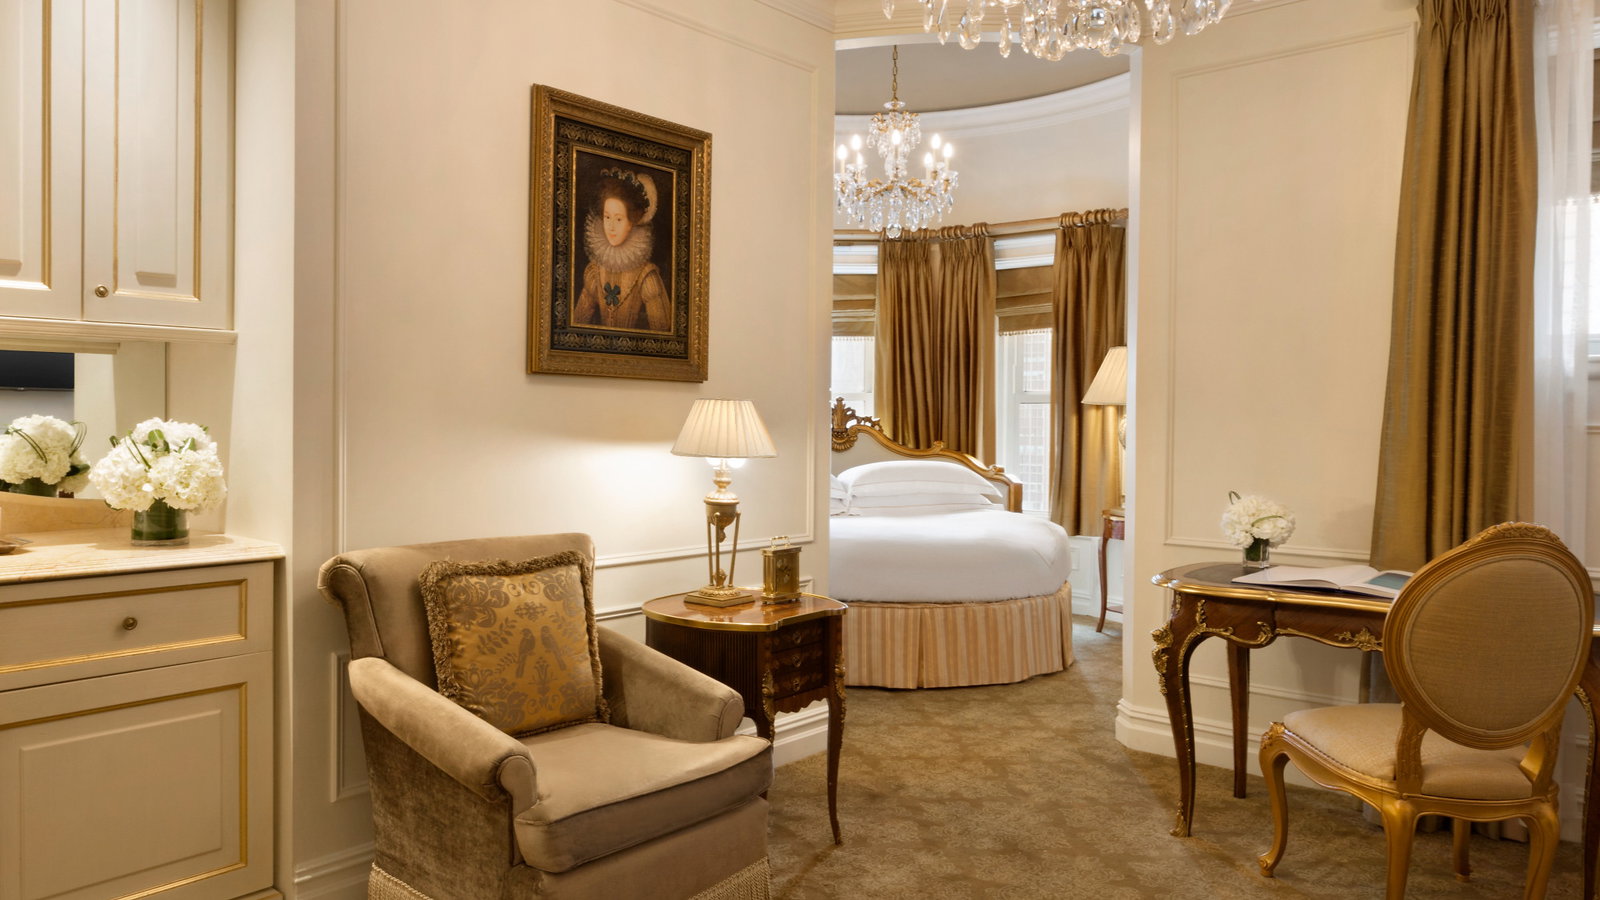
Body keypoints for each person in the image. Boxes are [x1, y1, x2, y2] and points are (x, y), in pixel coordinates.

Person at [572, 167, 671, 332]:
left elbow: (662, 333)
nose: (611, 227)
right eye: (607, 217)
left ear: (631, 222)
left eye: (619, 219)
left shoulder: (646, 276)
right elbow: (576, 323)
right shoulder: (595, 271)